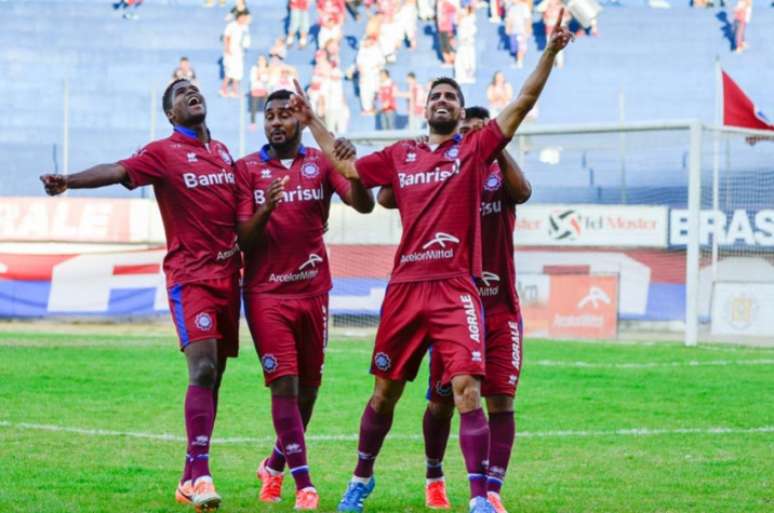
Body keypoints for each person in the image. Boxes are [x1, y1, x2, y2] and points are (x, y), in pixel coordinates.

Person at [306, 12, 573, 513]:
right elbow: (346, 167)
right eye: (437, 96)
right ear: (424, 108)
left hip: (455, 288)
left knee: (467, 388)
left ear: (459, 110)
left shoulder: (473, 151)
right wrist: (311, 121)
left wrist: (549, 54)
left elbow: (522, 103)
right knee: (385, 394)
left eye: (451, 96)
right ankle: (361, 478)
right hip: (406, 287)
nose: (444, 101)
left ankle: (478, 499)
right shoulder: (401, 156)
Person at [40, 79, 241, 513]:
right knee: (202, 368)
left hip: (229, 277)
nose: (192, 93)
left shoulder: (224, 152)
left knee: (215, 375)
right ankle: (201, 473)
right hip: (191, 278)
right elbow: (116, 171)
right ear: (171, 114)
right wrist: (69, 181)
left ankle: (190, 476)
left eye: (195, 89)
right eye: (181, 93)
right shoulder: (162, 152)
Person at [376, 105, 531, 513]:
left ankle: (491, 490)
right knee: (441, 400)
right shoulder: (443, 172)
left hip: (499, 308)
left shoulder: (495, 174)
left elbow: (524, 192)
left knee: (500, 400)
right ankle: (434, 476)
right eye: (463, 131)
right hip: (452, 302)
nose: (468, 136)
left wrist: (497, 147)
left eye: (475, 131)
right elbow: (387, 196)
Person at [236, 87, 374, 511]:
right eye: (270, 115)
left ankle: (274, 463)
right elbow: (243, 238)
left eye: (284, 115)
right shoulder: (246, 170)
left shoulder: (319, 163)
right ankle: (303, 484)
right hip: (265, 295)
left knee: (309, 392)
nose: (276, 121)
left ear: (299, 122)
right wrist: (265, 210)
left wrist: (352, 170)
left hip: (313, 292)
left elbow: (364, 205)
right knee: (285, 386)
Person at [220, 10, 252, 98]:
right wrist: (227, 48)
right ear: (238, 17)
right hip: (231, 51)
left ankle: (234, 91)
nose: (243, 19)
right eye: (242, 17)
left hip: (239, 52)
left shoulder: (245, 27)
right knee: (229, 72)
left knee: (238, 72)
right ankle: (223, 89)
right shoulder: (231, 26)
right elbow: (226, 37)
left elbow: (246, 40)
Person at [356, 35, 385, 115]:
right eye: (368, 40)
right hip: (364, 75)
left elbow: (381, 62)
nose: (369, 42)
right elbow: (359, 63)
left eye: (371, 40)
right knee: (364, 92)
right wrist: (362, 73)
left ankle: (373, 108)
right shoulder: (362, 50)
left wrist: (375, 68)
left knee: (373, 91)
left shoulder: (377, 50)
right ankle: (366, 109)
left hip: (374, 75)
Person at [454, 5, 478, 84]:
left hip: (468, 44)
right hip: (461, 45)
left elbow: (471, 32)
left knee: (468, 60)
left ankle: (469, 75)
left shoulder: (470, 19)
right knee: (460, 60)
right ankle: (460, 76)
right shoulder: (460, 21)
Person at [505, 0, 531, 68]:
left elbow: (527, 19)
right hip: (514, 31)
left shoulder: (524, 7)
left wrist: (527, 30)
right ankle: (517, 60)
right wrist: (508, 28)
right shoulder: (511, 7)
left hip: (522, 31)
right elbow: (509, 19)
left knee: (521, 47)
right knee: (515, 47)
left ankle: (519, 62)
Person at [249, 55, 271, 129]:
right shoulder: (254, 69)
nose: (261, 61)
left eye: (262, 60)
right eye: (259, 60)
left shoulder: (268, 69)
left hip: (264, 90)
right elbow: (253, 79)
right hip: (256, 90)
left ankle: (267, 122)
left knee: (267, 107)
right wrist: (260, 76)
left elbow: (267, 80)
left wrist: (261, 77)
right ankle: (253, 123)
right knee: (254, 108)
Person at [436, 0, 458, 67]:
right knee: (443, 46)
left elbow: (454, 10)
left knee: (449, 46)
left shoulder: (448, 4)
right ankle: (447, 61)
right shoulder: (439, 4)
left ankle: (453, 61)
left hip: (448, 28)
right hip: (441, 28)